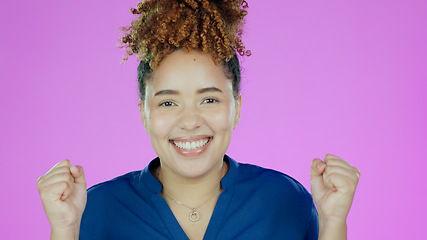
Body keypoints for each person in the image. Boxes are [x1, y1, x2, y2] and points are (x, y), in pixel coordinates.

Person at [37, 0, 360, 239]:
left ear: (236, 107)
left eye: (209, 99)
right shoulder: (95, 209)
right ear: (143, 114)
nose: (189, 121)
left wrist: (333, 222)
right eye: (168, 102)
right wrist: (64, 229)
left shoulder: (285, 199)